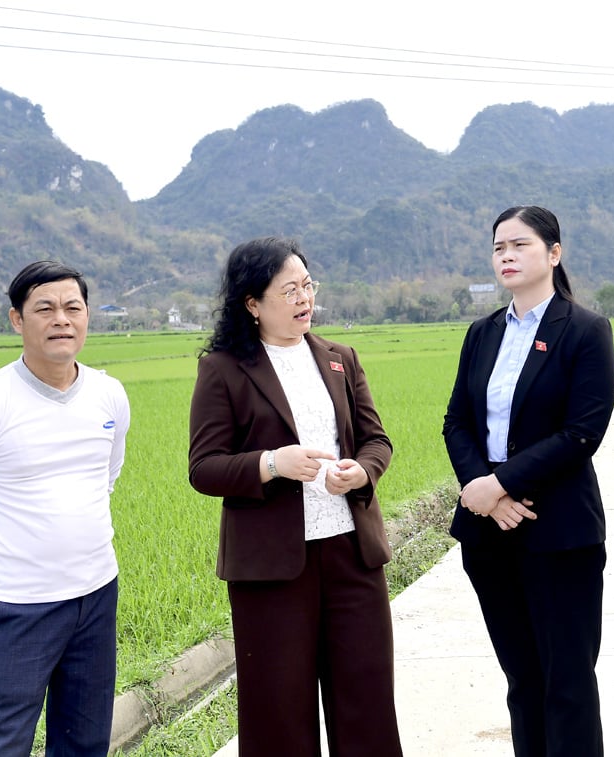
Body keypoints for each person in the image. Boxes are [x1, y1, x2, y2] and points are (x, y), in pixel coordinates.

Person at [187, 237, 402, 757]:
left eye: (307, 285)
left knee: (367, 701)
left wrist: (361, 471)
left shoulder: (338, 359)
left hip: (352, 555)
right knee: (277, 711)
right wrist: (271, 463)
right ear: (253, 304)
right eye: (289, 290)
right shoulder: (224, 369)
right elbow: (204, 467)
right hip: (271, 570)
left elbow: (377, 440)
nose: (304, 298)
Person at [0, 261, 130, 756]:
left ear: (86, 317)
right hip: (19, 603)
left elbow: (106, 478)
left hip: (97, 592)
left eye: (72, 308)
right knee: (3, 743)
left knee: (85, 739)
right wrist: (6, 534)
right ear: (17, 319)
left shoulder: (109, 394)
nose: (62, 319)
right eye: (45, 308)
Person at [443, 205, 614, 757]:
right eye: (499, 248)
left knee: (567, 682)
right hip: (489, 531)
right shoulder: (482, 333)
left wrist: (502, 485)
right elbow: (457, 422)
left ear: (553, 253)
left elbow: (582, 432)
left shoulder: (586, 329)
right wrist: (483, 491)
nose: (507, 256)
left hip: (559, 529)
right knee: (522, 680)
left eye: (520, 245)